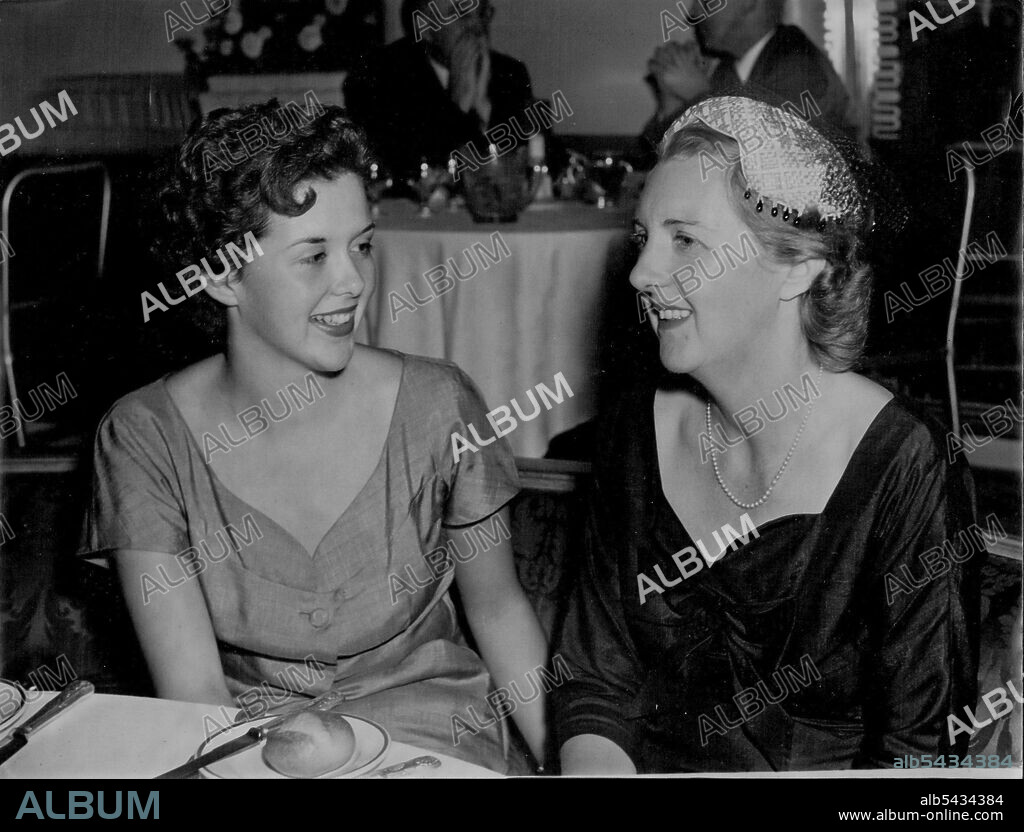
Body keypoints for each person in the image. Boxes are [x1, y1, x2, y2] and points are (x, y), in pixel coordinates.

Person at [78, 101, 548, 775]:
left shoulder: (439, 404)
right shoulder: (144, 439)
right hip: (257, 755)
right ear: (222, 273)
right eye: (314, 255)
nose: (353, 282)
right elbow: (197, 697)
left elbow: (501, 616)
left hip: (441, 744)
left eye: (361, 245)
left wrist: (561, 763)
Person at [553, 96, 981, 773]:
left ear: (797, 265)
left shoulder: (903, 464)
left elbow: (920, 762)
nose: (640, 274)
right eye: (644, 239)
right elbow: (595, 681)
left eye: (684, 240)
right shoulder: (636, 431)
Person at [344, 0, 536, 181]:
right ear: (425, 28)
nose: (478, 26)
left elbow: (517, 170)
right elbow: (401, 171)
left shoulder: (509, 73)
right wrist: (458, 104)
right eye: (462, 14)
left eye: (483, 13)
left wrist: (483, 106)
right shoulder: (378, 74)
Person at [641, 0, 852, 163]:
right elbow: (668, 163)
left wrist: (699, 96)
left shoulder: (800, 68)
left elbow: (768, 164)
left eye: (706, 1)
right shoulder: (729, 69)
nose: (693, 13)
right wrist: (672, 101)